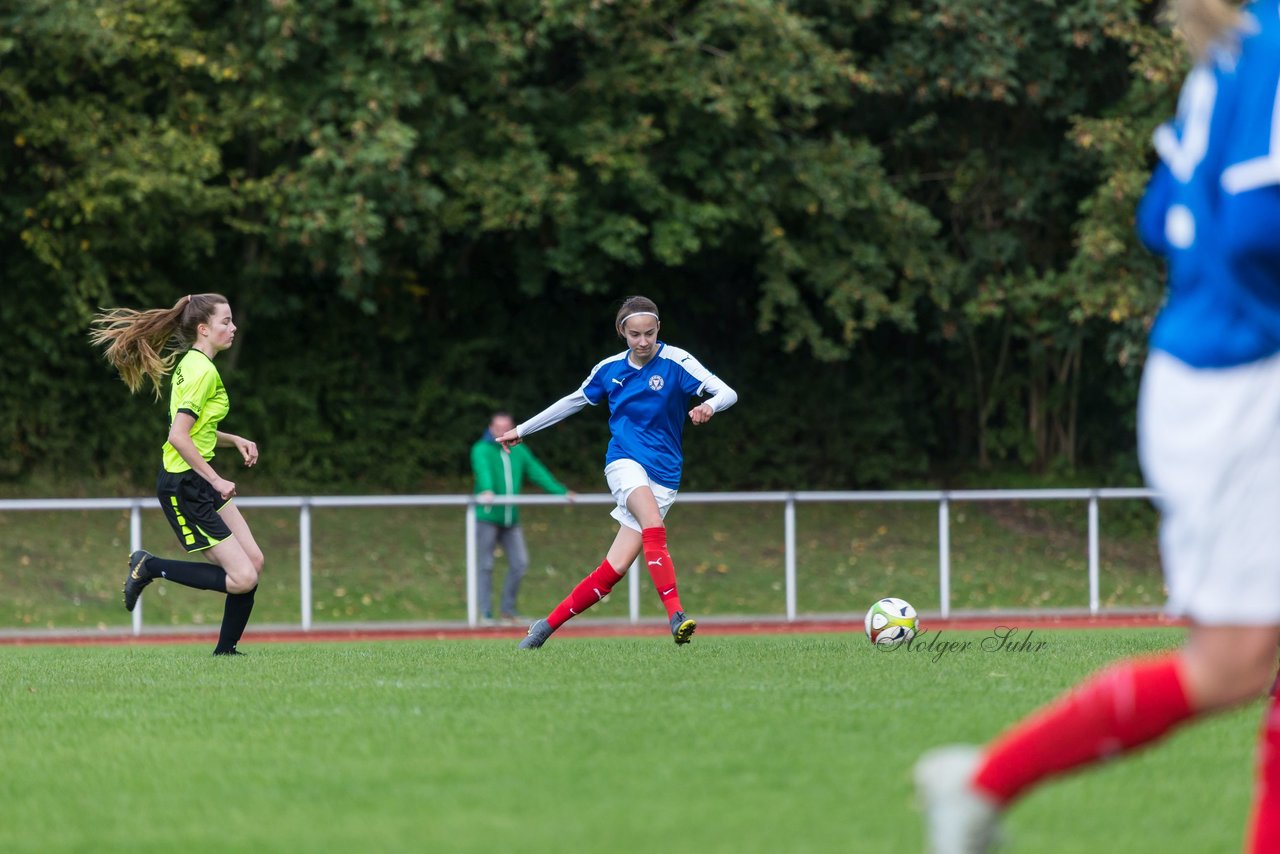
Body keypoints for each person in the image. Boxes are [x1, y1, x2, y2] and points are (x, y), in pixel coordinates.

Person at [915, 1, 1280, 851]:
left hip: (1222, 367)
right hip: (1245, 385)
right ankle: (982, 784)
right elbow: (1257, 229)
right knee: (1233, 665)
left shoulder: (1245, 40)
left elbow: (1161, 216)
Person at [497, 295, 738, 649]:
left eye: (650, 334)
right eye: (635, 335)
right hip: (624, 462)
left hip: (665, 474)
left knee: (613, 571)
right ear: (622, 332)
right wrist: (523, 429)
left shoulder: (677, 361)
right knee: (654, 524)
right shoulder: (609, 370)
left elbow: (727, 392)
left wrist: (709, 405)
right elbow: (573, 401)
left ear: (659, 330)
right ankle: (676, 616)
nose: (643, 342)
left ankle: (543, 628)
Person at [89, 294, 264, 657]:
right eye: (226, 322)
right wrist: (216, 480)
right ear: (203, 329)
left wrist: (234, 440)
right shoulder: (201, 371)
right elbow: (177, 437)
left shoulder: (194, 363)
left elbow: (195, 430)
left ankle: (226, 652)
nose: (233, 328)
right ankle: (150, 566)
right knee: (243, 577)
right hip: (184, 484)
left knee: (254, 562)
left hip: (197, 477)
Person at [471, 411, 574, 624]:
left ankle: (508, 611)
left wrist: (561, 492)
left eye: (505, 428)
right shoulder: (481, 449)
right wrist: (488, 489)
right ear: (491, 428)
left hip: (511, 519)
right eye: (498, 428)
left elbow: (537, 471)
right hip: (488, 517)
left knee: (520, 562)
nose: (501, 432)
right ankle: (485, 613)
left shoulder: (519, 451)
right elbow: (483, 470)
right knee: (486, 565)